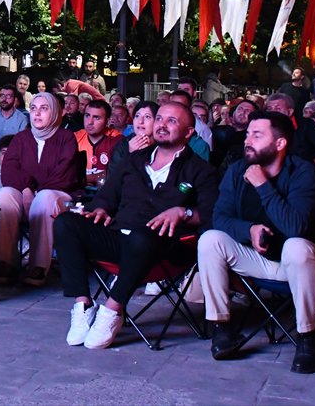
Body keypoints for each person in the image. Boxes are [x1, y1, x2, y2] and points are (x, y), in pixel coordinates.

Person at [55, 102, 218, 349]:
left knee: (143, 235)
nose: (162, 125)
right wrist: (100, 209)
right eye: (160, 119)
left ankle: (113, 309)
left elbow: (210, 213)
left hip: (164, 249)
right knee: (67, 222)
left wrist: (183, 212)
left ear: (188, 133)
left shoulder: (200, 170)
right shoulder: (133, 161)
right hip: (121, 239)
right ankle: (83, 305)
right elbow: (106, 197)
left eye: (172, 121)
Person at [197, 111, 315, 374]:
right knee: (210, 239)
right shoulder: (237, 171)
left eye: (257, 135)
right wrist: (250, 229)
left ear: (280, 143)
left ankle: (308, 336)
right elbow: (219, 218)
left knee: (296, 246)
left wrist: (262, 185)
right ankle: (221, 328)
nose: (248, 140)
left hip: (305, 262)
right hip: (258, 260)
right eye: (247, 134)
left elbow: (295, 227)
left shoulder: (302, 171)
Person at [0, 93, 81, 286]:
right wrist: (26, 190)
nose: (37, 113)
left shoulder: (66, 138)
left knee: (45, 198)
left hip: (58, 195)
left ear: (56, 112)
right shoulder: (21, 138)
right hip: (26, 194)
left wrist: (36, 192)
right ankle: (6, 261)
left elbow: (64, 174)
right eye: (33, 108)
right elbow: (9, 169)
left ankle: (38, 264)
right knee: (6, 195)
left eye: (44, 108)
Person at [75, 100, 118, 186]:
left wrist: (86, 178)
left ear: (107, 121)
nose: (90, 122)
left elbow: (119, 172)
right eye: (87, 115)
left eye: (96, 117)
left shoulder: (117, 140)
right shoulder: (75, 138)